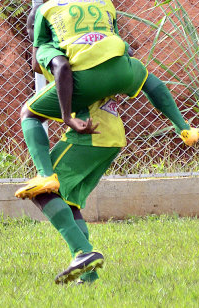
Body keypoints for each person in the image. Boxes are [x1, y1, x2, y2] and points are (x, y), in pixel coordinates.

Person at [15, 0, 199, 199]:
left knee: (29, 113)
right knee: (148, 80)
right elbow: (110, 37)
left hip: (85, 80)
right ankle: (185, 129)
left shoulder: (47, 10)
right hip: (122, 66)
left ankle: (44, 174)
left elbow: (51, 65)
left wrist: (65, 114)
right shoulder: (105, 2)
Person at [22, 95, 126, 285]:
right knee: (68, 200)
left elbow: (53, 69)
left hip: (89, 134)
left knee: (42, 191)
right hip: (112, 134)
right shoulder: (118, 66)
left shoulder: (69, 67)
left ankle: (83, 251)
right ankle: (88, 276)